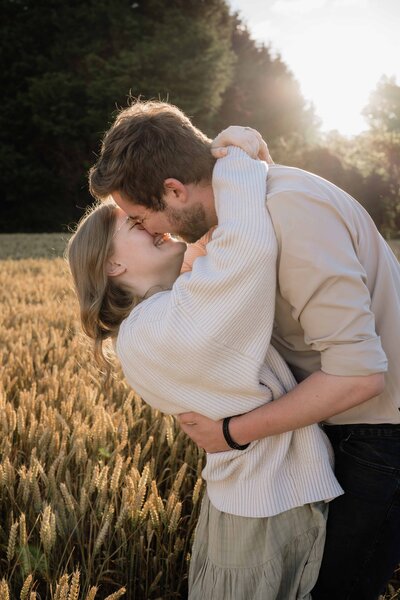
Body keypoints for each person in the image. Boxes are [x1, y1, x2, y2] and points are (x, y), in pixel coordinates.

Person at [88, 100, 400, 600]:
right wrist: (243, 155)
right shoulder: (234, 216)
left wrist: (231, 433)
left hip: (380, 430)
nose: (154, 231)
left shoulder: (290, 211)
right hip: (328, 418)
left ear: (174, 189)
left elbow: (360, 375)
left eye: (144, 218)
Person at [68, 148, 343, 600]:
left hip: (259, 495)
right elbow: (246, 247)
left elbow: (214, 254)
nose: (154, 224)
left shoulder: (157, 319)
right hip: (262, 505)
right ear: (112, 266)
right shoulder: (151, 330)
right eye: (135, 225)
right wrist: (233, 161)